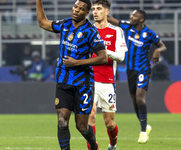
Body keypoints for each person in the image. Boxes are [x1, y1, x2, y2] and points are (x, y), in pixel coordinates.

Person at [36, 0, 108, 150]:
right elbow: (43, 23)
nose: (76, 10)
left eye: (81, 9)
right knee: (62, 120)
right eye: (75, 7)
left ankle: (94, 145)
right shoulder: (65, 24)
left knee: (81, 126)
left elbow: (103, 57)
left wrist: (76, 62)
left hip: (83, 84)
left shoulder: (90, 31)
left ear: (86, 13)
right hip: (63, 80)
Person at [107, 10, 167, 143]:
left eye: (134, 16)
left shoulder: (149, 33)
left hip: (143, 69)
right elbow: (111, 19)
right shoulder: (127, 26)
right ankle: (145, 125)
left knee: (140, 98)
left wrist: (157, 50)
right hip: (130, 70)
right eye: (132, 15)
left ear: (141, 20)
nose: (131, 17)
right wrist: (101, 8)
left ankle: (143, 132)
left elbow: (163, 46)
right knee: (134, 100)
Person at [85, 1, 128, 150]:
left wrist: (104, 51)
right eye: (93, 9)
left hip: (107, 81)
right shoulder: (88, 30)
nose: (95, 12)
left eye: (99, 9)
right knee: (90, 116)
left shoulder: (116, 31)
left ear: (107, 11)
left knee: (109, 123)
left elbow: (121, 57)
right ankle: (92, 147)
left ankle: (113, 145)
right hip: (89, 80)